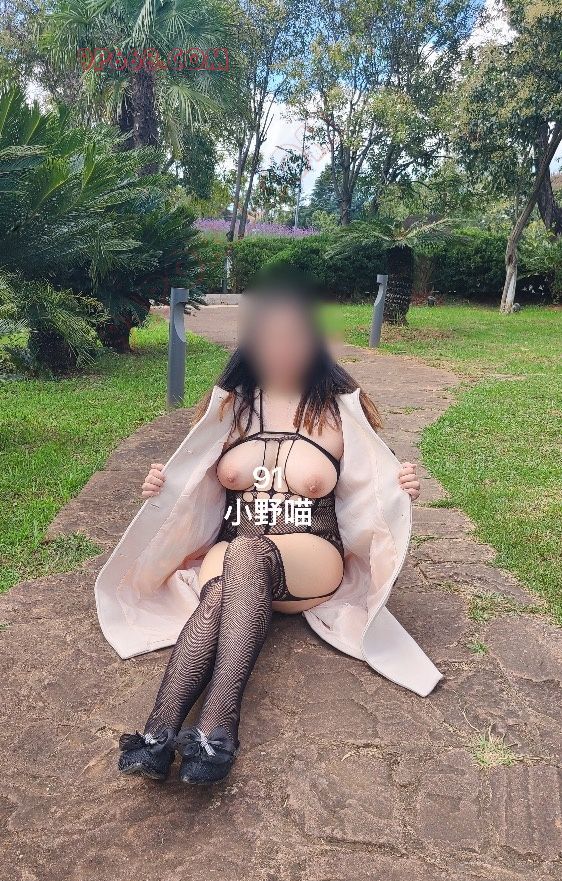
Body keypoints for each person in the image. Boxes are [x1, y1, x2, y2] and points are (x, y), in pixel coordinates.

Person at [116, 284, 421, 785]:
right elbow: (192, 479)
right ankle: (158, 735)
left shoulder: (340, 411)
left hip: (309, 554)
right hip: (233, 551)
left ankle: (218, 725)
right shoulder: (228, 408)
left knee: (248, 551)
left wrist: (402, 485)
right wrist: (160, 485)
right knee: (227, 580)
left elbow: (375, 480)